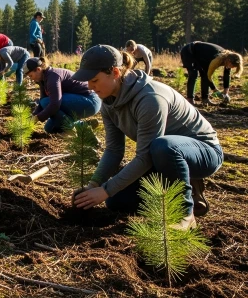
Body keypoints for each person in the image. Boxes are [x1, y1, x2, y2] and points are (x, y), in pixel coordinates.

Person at [71, 45, 223, 229]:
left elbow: (144, 156)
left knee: (163, 146)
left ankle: (184, 213)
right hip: (161, 158)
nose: (90, 87)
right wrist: (94, 185)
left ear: (116, 72)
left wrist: (105, 189)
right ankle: (172, 194)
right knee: (116, 201)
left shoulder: (150, 98)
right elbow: (114, 150)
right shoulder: (108, 103)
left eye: (94, 80)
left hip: (202, 152)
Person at [24, 57, 101, 134]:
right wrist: (32, 117)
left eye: (31, 76)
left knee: (46, 102)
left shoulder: (53, 77)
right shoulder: (42, 80)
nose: (31, 79)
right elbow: (42, 101)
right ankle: (83, 126)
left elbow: (54, 104)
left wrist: (37, 118)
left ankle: (70, 130)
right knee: (49, 128)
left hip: (90, 101)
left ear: (38, 69)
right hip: (77, 101)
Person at [180, 41, 243, 106]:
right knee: (193, 75)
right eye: (232, 66)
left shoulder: (228, 58)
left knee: (204, 75)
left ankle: (205, 100)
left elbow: (227, 75)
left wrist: (225, 92)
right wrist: (215, 90)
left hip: (201, 55)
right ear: (229, 61)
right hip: (189, 51)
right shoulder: (216, 59)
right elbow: (208, 76)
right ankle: (190, 100)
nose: (232, 68)